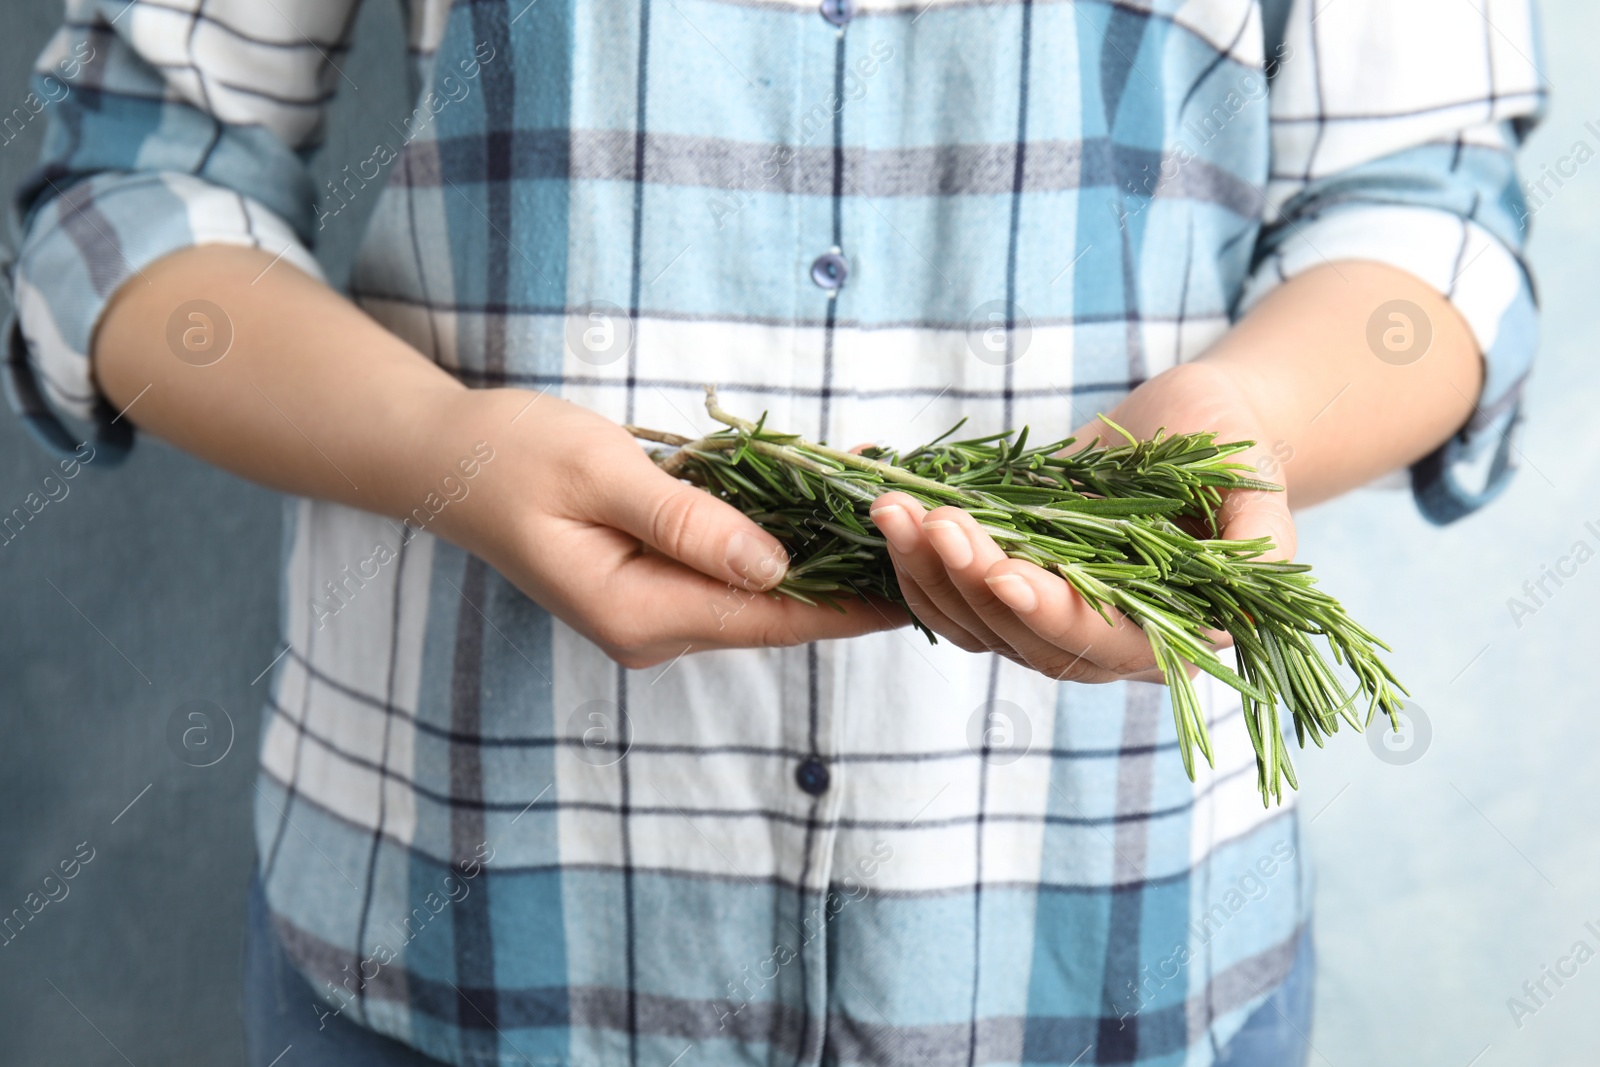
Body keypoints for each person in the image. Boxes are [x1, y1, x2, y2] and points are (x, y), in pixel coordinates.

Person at [5, 0, 1542, 1064]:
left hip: (1109, 952)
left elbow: (1424, 214)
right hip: (455, 940)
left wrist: (1237, 433)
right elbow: (133, 190)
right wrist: (439, 452)